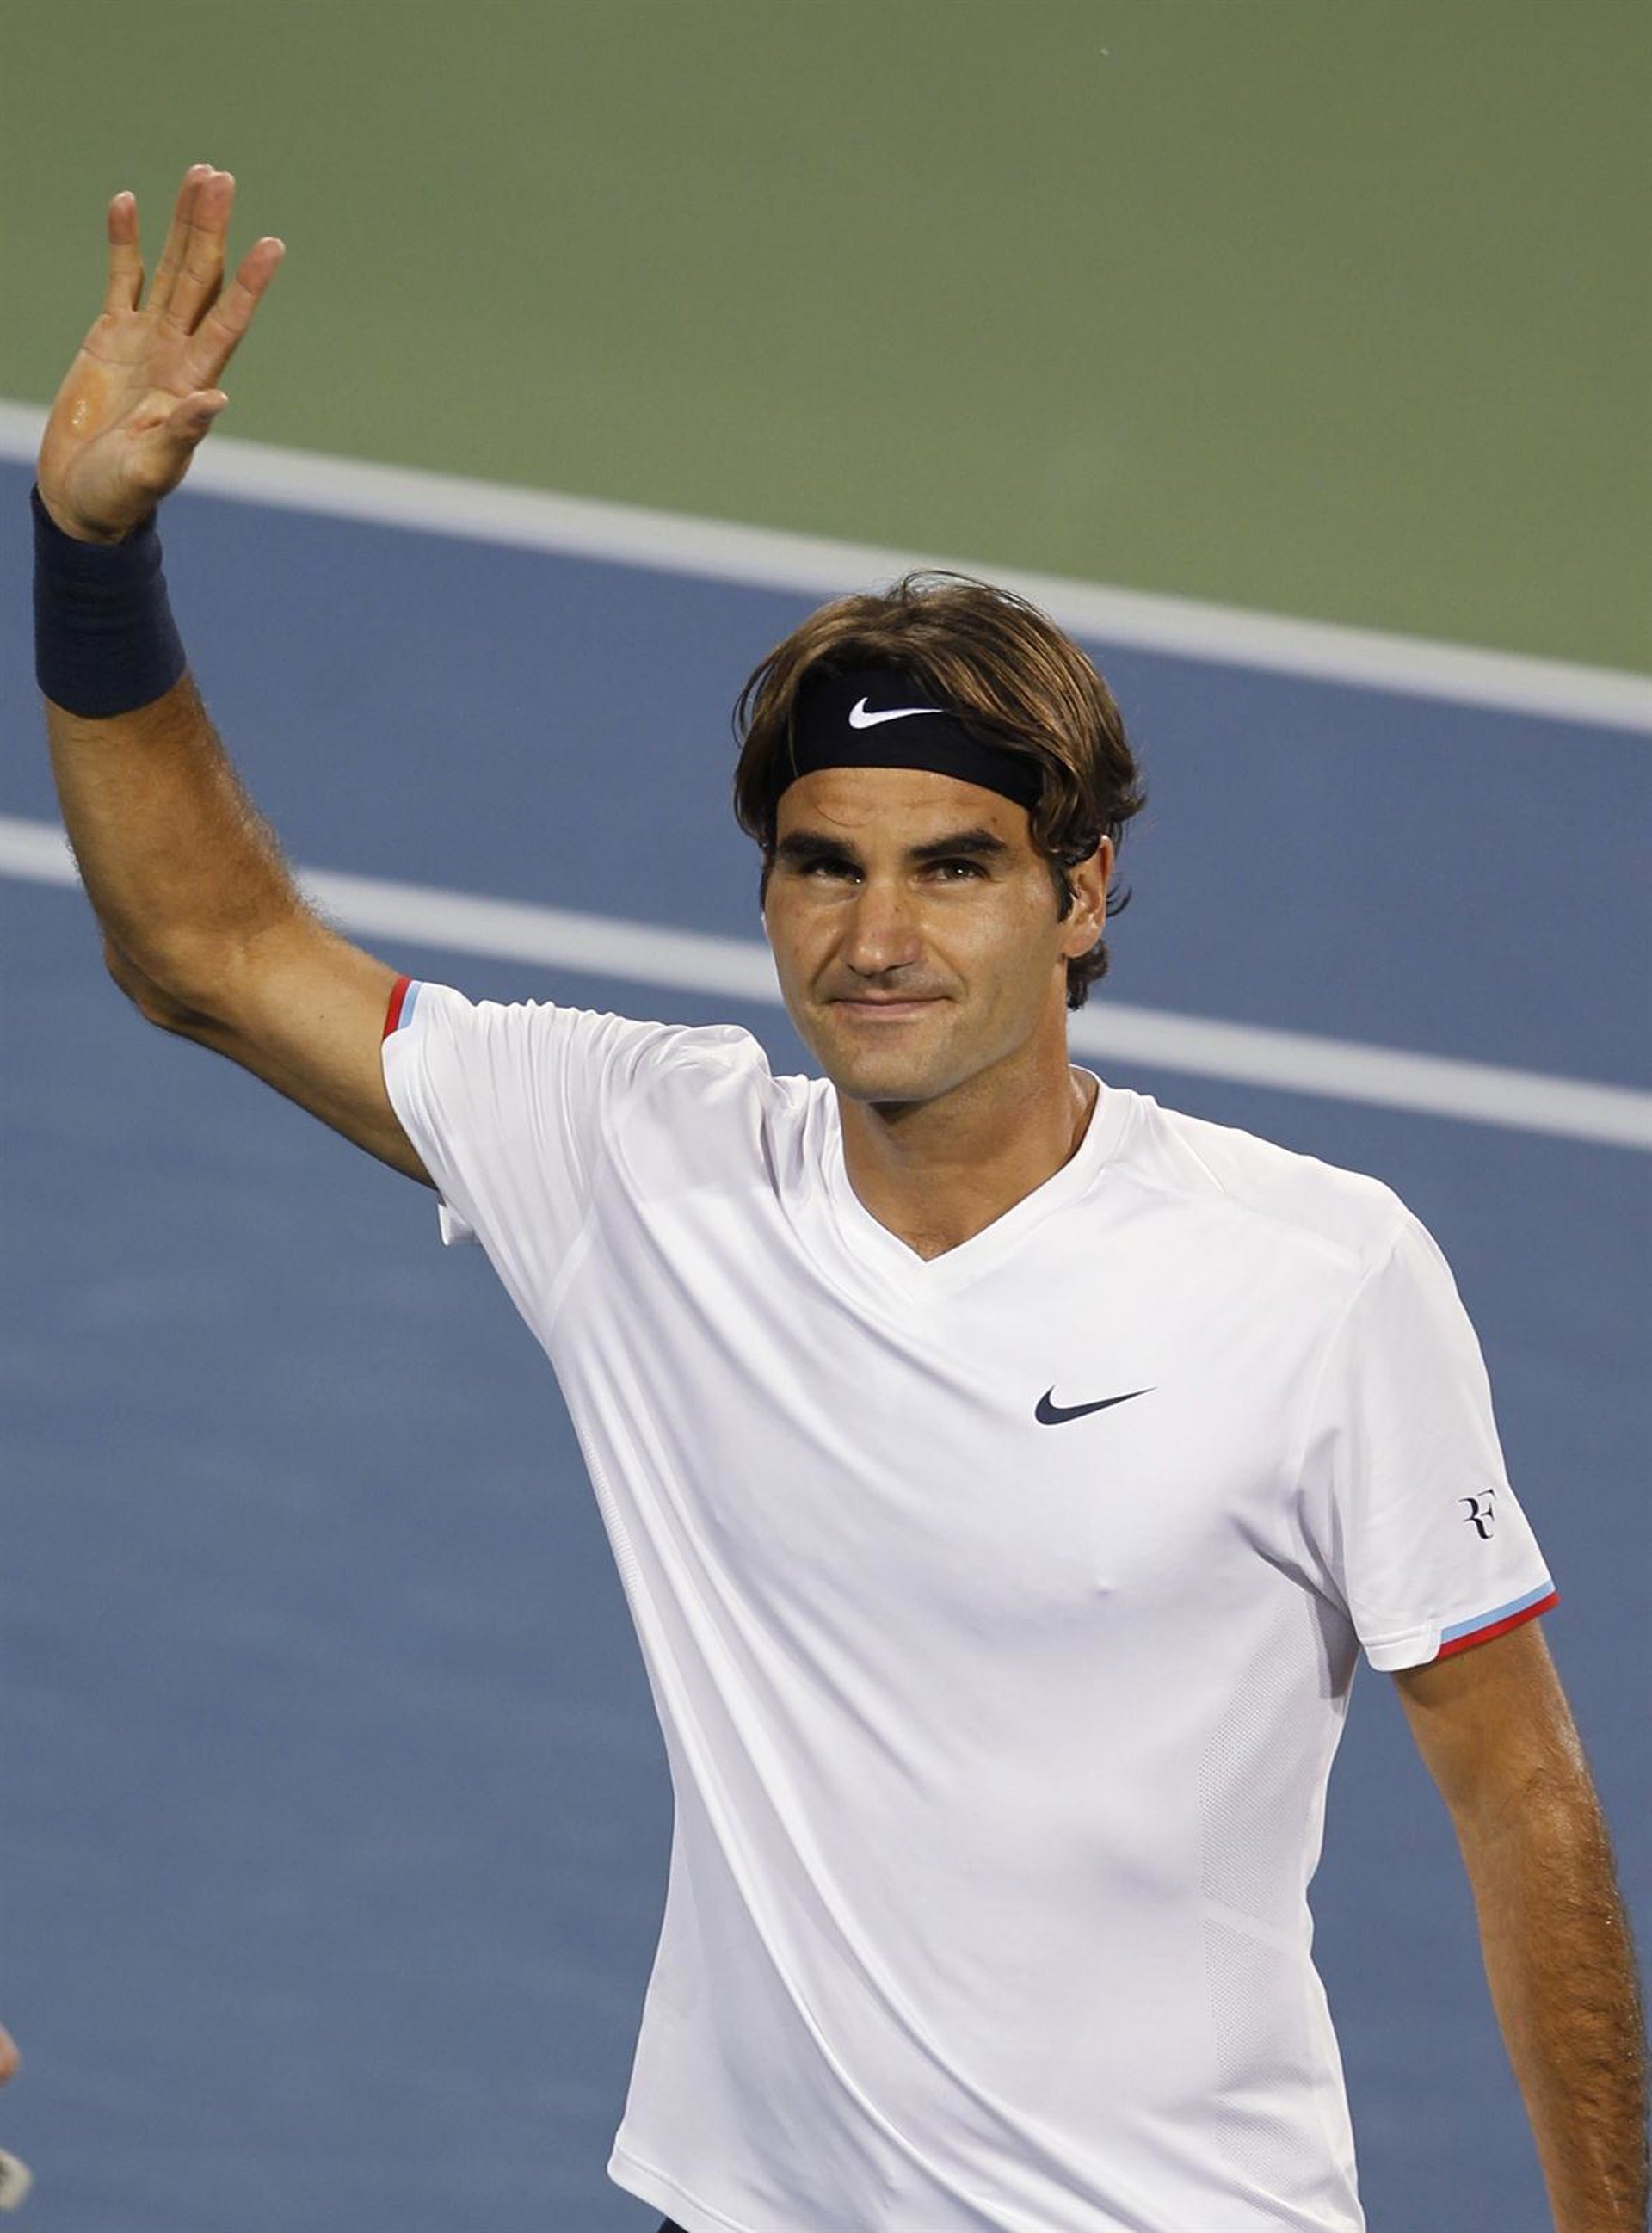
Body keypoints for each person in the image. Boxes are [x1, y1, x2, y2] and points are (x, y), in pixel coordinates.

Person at [29, 164, 1647, 2233]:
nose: (876, 937)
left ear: (1080, 892)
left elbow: (1520, 1788)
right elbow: (206, 949)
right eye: (824, 863)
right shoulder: (643, 1159)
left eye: (953, 867)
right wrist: (94, 557)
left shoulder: (1317, 1274)